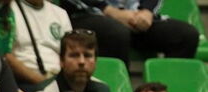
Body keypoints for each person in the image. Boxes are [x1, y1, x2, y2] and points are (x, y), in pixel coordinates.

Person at [59, 0, 198, 67]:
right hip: (88, 14)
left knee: (186, 36)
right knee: (117, 33)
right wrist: (111, 12)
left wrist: (147, 11)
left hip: (134, 14)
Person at [5, 0, 71, 91]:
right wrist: (41, 81)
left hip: (61, 80)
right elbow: (6, 56)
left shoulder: (61, 13)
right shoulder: (7, 10)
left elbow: (71, 53)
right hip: (25, 82)